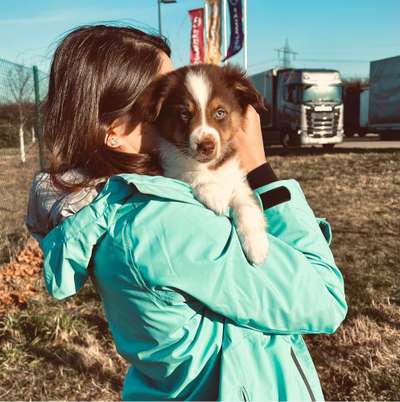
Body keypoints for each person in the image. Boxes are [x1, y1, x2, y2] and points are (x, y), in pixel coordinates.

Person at [26, 25, 347, 401]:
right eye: (163, 101)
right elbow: (324, 298)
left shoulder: (108, 205)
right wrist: (260, 169)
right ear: (112, 130)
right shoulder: (162, 224)